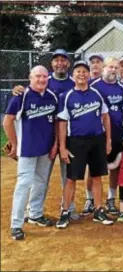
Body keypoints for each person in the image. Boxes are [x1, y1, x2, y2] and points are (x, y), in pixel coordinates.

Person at [11, 49, 79, 220]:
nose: (60, 63)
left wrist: (60, 143)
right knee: (40, 178)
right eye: (57, 60)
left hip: (69, 136)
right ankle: (33, 210)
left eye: (64, 60)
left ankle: (68, 209)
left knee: (68, 176)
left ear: (68, 64)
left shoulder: (74, 82)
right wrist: (18, 89)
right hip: (44, 139)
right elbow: (30, 91)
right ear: (52, 64)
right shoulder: (44, 79)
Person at [56, 60, 113, 229]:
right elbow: (62, 123)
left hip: (97, 139)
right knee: (71, 178)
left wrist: (108, 140)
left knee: (97, 176)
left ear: (89, 75)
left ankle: (98, 210)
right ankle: (65, 211)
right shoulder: (67, 96)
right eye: (78, 71)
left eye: (84, 71)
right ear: (73, 76)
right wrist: (62, 147)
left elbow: (105, 117)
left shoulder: (96, 93)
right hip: (76, 141)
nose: (81, 74)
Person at [3, 66, 58, 240]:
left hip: (45, 149)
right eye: (38, 76)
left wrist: (55, 144)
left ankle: (35, 213)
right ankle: (16, 224)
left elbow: (56, 123)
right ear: (30, 77)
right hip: (26, 150)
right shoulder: (21, 96)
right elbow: (7, 121)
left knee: (41, 182)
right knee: (24, 185)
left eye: (44, 76)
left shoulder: (52, 97)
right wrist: (14, 143)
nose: (41, 80)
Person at [81, 57, 123, 216]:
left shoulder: (122, 88)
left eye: (116, 68)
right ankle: (89, 198)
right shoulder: (93, 86)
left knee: (116, 167)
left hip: (118, 133)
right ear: (103, 68)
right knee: (92, 168)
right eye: (110, 67)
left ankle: (111, 198)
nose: (113, 70)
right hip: (97, 134)